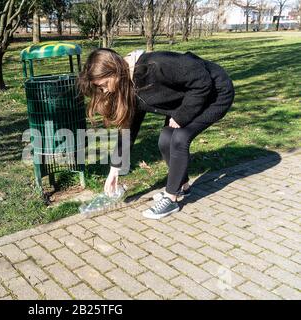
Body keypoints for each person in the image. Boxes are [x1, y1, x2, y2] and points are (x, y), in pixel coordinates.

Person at [78, 48, 235, 219]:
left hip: (216, 93)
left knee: (179, 138)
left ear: (114, 71)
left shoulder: (156, 65)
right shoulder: (130, 86)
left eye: (104, 84)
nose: (105, 91)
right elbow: (129, 129)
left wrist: (182, 116)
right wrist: (114, 169)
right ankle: (183, 187)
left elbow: (201, 79)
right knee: (164, 140)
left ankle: (171, 199)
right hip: (188, 99)